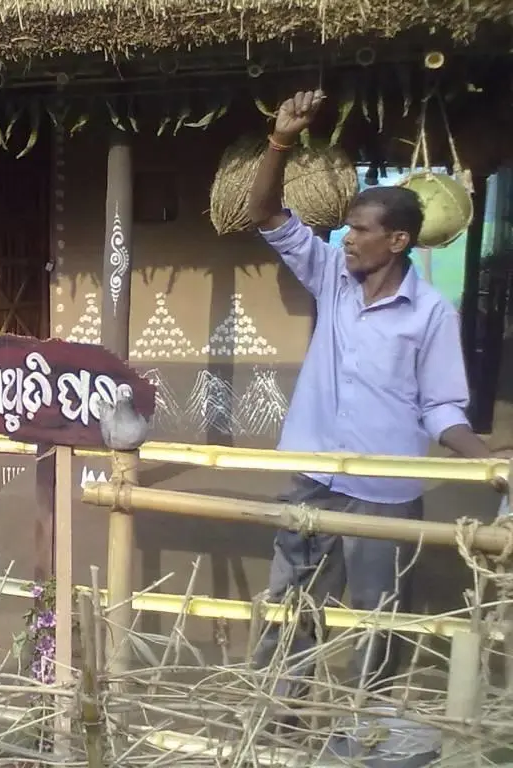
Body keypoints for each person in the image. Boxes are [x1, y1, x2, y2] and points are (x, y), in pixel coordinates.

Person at [247, 91, 502, 706]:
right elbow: (264, 213)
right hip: (313, 479)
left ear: (398, 240)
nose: (346, 239)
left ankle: (365, 727)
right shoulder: (331, 278)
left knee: (377, 623)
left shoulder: (431, 314)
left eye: (360, 230)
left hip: (385, 494)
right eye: (347, 228)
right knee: (290, 610)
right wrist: (280, 141)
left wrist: (488, 463)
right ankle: (275, 721)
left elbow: (442, 409)